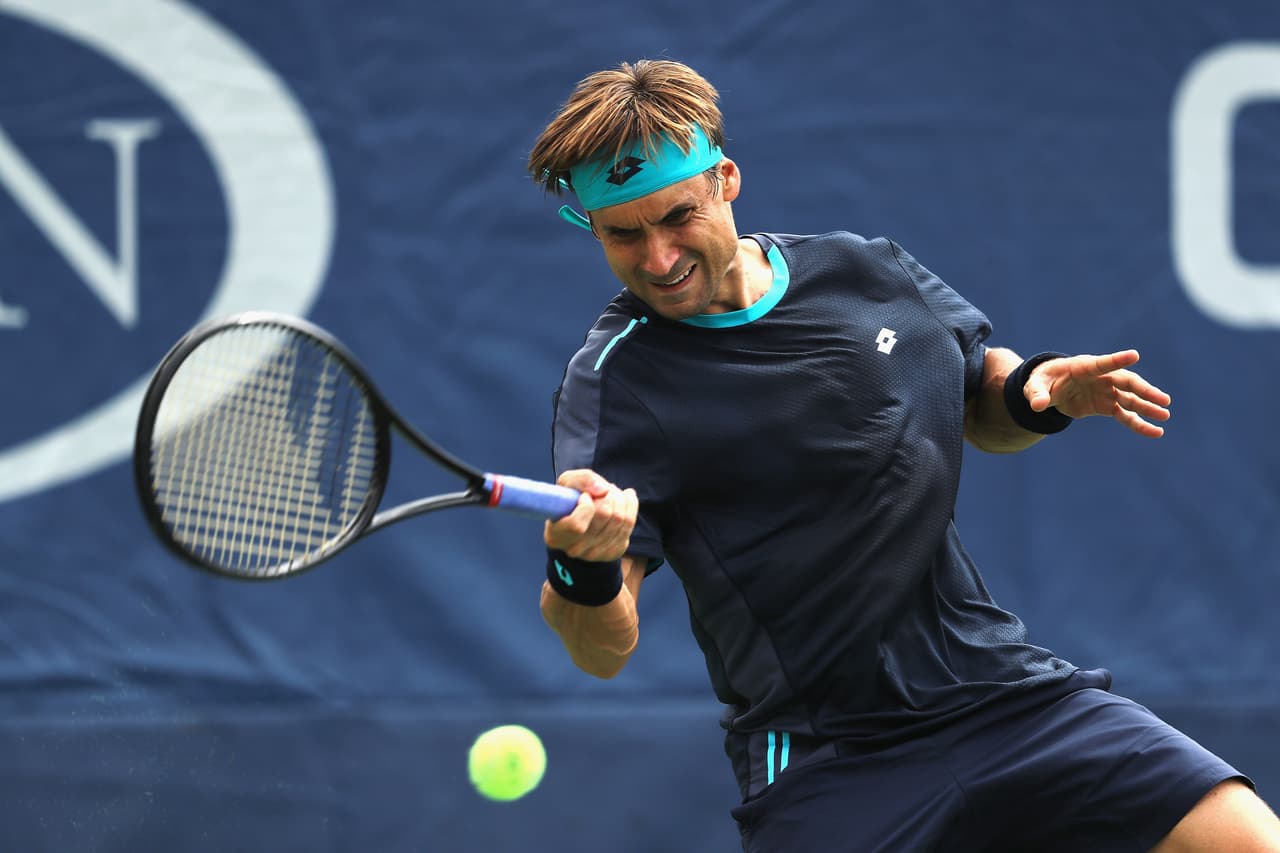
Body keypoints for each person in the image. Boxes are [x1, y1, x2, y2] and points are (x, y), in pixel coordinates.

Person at [525, 59, 1280, 852]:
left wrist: (1038, 396)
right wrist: (585, 566)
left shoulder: (868, 272)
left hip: (1003, 696)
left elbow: (982, 406)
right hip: (825, 757)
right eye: (623, 233)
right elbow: (601, 648)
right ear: (593, 230)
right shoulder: (615, 381)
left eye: (676, 216)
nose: (656, 256)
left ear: (725, 180)